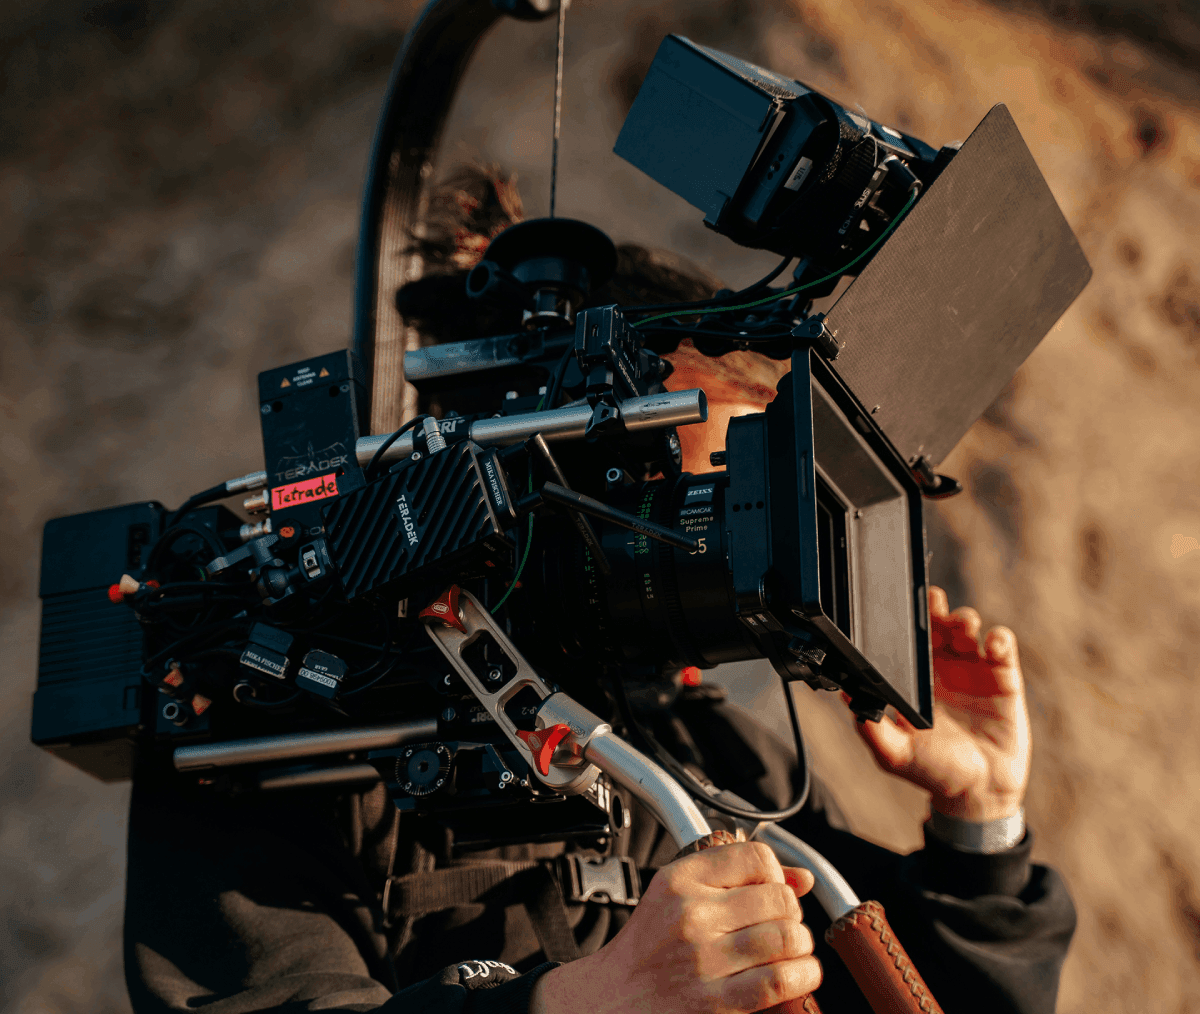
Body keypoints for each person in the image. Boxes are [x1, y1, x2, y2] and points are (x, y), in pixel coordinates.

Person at [124, 166, 1075, 1014]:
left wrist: (979, 823)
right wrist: (581, 1005)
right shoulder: (290, 725)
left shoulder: (713, 758)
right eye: (724, 466)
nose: (747, 523)